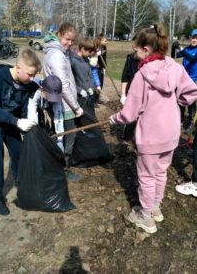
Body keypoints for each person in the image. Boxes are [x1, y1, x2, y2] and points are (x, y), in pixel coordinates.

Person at [109, 23, 197, 234]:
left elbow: (129, 114)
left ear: (146, 49)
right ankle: (155, 207)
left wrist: (114, 118)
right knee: (160, 172)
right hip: (171, 134)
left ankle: (146, 217)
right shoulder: (176, 67)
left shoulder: (141, 76)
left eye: (136, 50)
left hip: (150, 136)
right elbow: (192, 93)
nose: (135, 54)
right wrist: (178, 102)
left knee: (147, 177)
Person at [0, 48, 42, 216]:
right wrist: (17, 121)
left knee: (18, 152)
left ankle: (21, 182)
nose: (32, 78)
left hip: (11, 121)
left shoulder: (27, 83)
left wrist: (45, 90)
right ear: (18, 67)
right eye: (30, 74)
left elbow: (36, 89)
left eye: (34, 75)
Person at [42, 22, 83, 182]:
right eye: (67, 39)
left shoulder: (57, 51)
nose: (70, 43)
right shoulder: (57, 55)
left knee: (62, 135)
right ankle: (64, 169)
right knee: (68, 136)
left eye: (72, 40)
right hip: (64, 105)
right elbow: (64, 85)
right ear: (59, 34)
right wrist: (76, 106)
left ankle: (60, 166)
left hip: (62, 103)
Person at [27, 75, 64, 152]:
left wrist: (60, 139)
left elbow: (58, 116)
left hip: (46, 107)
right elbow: (32, 114)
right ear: (42, 89)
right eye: (50, 97)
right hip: (34, 107)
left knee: (50, 130)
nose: (52, 100)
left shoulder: (56, 92)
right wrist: (36, 134)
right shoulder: (35, 91)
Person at [175, 28, 197, 132]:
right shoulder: (187, 49)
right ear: (190, 39)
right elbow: (174, 55)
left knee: (191, 103)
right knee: (181, 100)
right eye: (193, 37)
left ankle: (191, 123)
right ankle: (180, 120)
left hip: (194, 80)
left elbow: (192, 59)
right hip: (183, 79)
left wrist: (182, 50)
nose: (195, 40)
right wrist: (174, 47)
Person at [70, 37, 95, 105]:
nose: (90, 54)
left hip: (88, 96)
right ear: (83, 49)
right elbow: (70, 80)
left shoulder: (86, 61)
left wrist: (91, 87)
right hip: (78, 97)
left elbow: (90, 76)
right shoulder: (72, 61)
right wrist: (79, 90)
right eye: (89, 51)